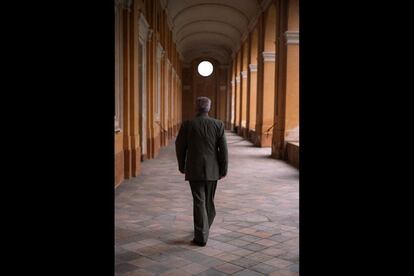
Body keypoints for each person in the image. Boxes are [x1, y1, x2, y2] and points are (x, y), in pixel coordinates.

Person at [175, 96, 228, 246]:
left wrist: (181, 165)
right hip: (213, 170)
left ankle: (202, 232)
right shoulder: (218, 125)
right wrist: (223, 169)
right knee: (208, 202)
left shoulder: (188, 125)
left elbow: (180, 146)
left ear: (196, 108)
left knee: (199, 201)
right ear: (209, 108)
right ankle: (203, 231)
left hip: (194, 168)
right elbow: (223, 150)